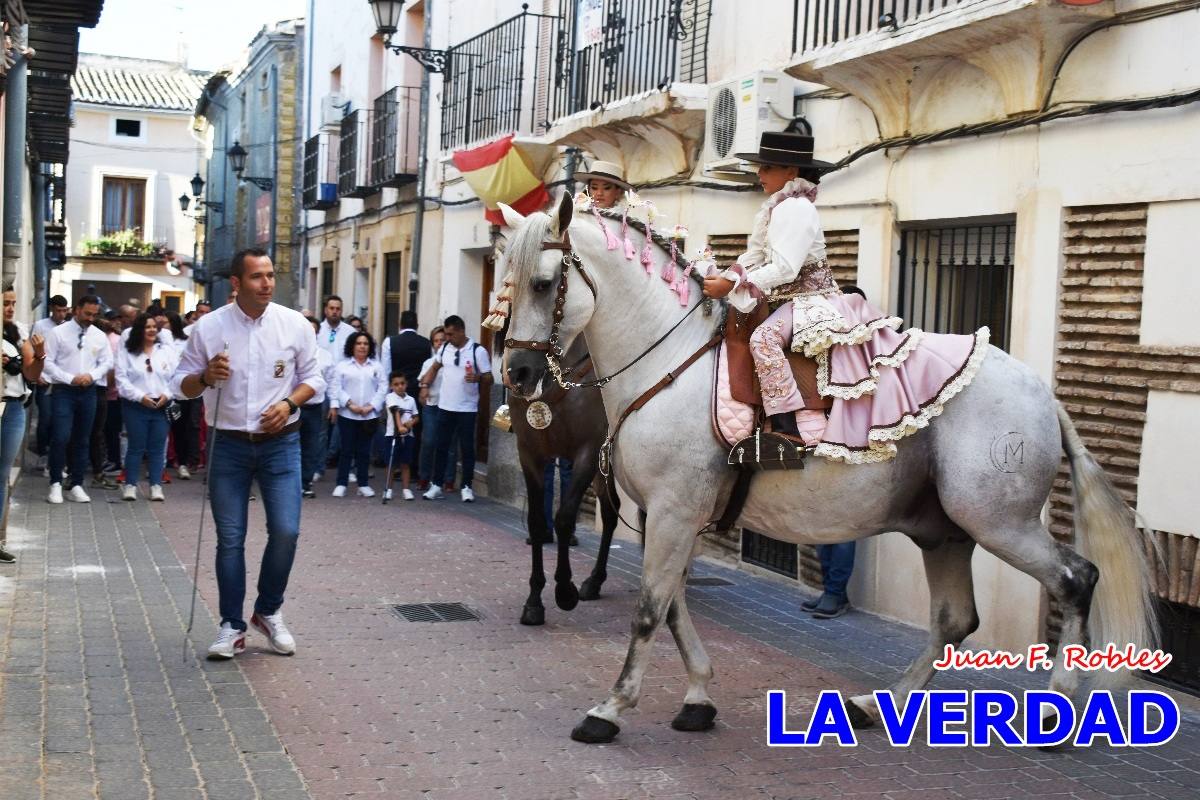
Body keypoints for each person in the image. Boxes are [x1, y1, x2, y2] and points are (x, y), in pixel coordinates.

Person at [173, 247, 323, 660]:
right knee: (231, 539)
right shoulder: (208, 328)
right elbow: (179, 385)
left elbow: (314, 379)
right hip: (229, 446)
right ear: (236, 283)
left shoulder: (294, 325)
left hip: (281, 444)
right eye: (258, 276)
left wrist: (289, 404)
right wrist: (204, 377)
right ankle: (231, 627)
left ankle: (268, 611)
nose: (268, 283)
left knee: (287, 531)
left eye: (271, 275)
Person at [42, 295, 112, 504]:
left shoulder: (99, 336)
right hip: (64, 390)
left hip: (89, 390)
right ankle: (55, 483)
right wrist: (70, 378)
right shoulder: (58, 333)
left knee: (83, 438)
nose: (91, 318)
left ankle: (77, 483)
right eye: (87, 313)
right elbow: (48, 362)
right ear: (77, 310)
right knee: (61, 436)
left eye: (94, 314)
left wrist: (92, 376)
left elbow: (107, 361)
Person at [420, 315, 492, 503]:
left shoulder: (478, 351)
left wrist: (477, 378)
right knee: (441, 446)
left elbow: (489, 377)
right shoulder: (445, 348)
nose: (448, 338)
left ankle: (467, 486)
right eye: (446, 334)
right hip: (445, 406)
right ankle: (436, 485)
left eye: (451, 334)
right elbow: (435, 367)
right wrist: (425, 386)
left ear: (461, 331)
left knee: (467, 448)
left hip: (467, 408)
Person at [1, 290, 45, 563]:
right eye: (5, 303)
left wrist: (39, 356)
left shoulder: (18, 332)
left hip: (14, 407)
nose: (10, 308)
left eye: (14, 303)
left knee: (3, 474)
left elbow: (31, 374)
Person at [115, 313, 178, 501]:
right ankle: (130, 485)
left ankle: (156, 485)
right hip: (136, 405)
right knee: (136, 446)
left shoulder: (165, 351)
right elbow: (121, 379)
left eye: (154, 327)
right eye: (147, 327)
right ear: (138, 331)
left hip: (161, 406)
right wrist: (140, 396)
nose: (151, 330)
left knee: (158, 447)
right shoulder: (129, 352)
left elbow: (176, 377)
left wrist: (167, 395)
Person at [329, 330, 386, 498]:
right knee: (346, 450)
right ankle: (341, 483)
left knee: (364, 451)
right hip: (348, 414)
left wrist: (371, 406)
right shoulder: (343, 366)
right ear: (352, 346)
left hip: (369, 416)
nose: (362, 346)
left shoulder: (376, 366)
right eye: (359, 343)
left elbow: (383, 388)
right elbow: (335, 387)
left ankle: (363, 484)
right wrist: (349, 404)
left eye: (366, 343)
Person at [30, 294, 69, 466]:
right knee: (45, 418)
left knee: (59, 420)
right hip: (44, 380)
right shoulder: (40, 325)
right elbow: (31, 350)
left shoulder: (69, 328)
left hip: (61, 381)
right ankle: (42, 453)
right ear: (52, 308)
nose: (62, 314)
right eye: (59, 310)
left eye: (64, 311)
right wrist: (36, 375)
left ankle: (57, 456)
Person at [300, 318, 334, 498]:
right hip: (295, 406)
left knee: (312, 445)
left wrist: (333, 405)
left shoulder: (325, 356)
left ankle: (305, 482)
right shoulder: (294, 352)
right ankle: (292, 482)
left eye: (314, 330)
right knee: (292, 445)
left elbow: (330, 382)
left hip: (315, 406)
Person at [164, 310, 199, 479]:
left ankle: (183, 462)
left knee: (182, 429)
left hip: (181, 393)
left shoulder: (184, 341)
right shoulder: (153, 343)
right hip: (158, 391)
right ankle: (159, 464)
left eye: (165, 324)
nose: (162, 328)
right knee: (160, 430)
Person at [416, 326, 449, 491]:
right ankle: (424, 476)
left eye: (442, 340)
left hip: (449, 406)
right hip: (431, 405)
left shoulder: (452, 361)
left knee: (448, 444)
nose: (439, 343)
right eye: (436, 341)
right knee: (428, 441)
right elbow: (422, 380)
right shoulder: (428, 363)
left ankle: (448, 480)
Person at [382, 373, 418, 501]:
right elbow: (396, 411)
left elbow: (416, 416)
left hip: (408, 435)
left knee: (405, 463)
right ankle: (388, 489)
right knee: (391, 463)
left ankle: (406, 489)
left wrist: (410, 423)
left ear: (406, 384)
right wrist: (400, 427)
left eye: (402, 383)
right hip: (392, 435)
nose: (400, 387)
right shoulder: (390, 397)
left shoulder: (411, 400)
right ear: (391, 386)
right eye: (396, 384)